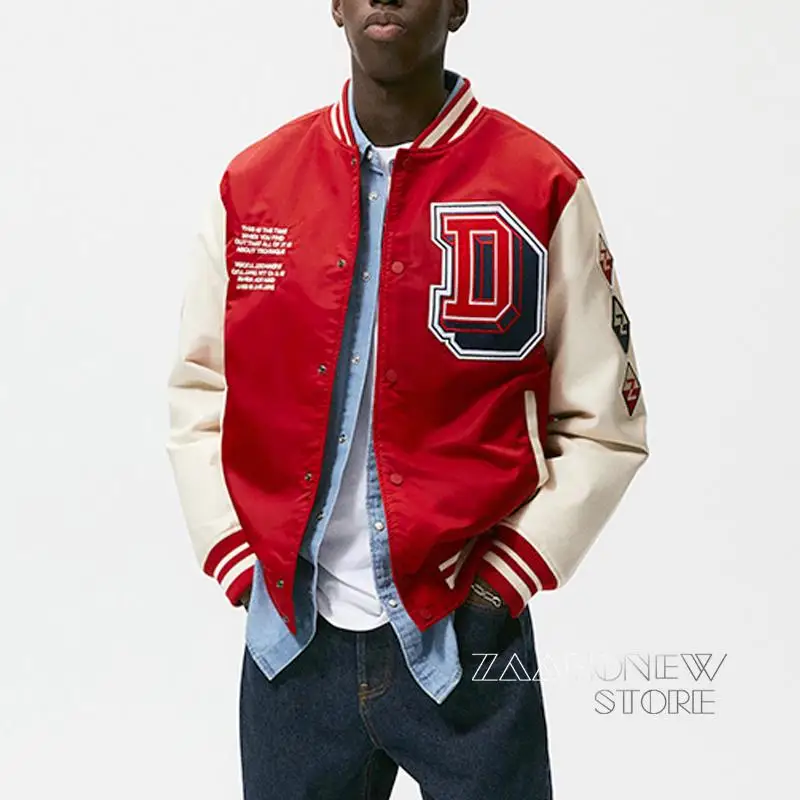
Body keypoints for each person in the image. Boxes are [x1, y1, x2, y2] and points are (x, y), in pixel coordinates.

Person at [165, 1, 649, 797]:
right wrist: (239, 559)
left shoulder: (541, 186)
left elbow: (605, 421)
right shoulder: (253, 187)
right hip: (291, 649)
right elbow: (200, 388)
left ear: (458, 6)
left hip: (467, 636)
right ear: (335, 6)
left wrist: (501, 585)